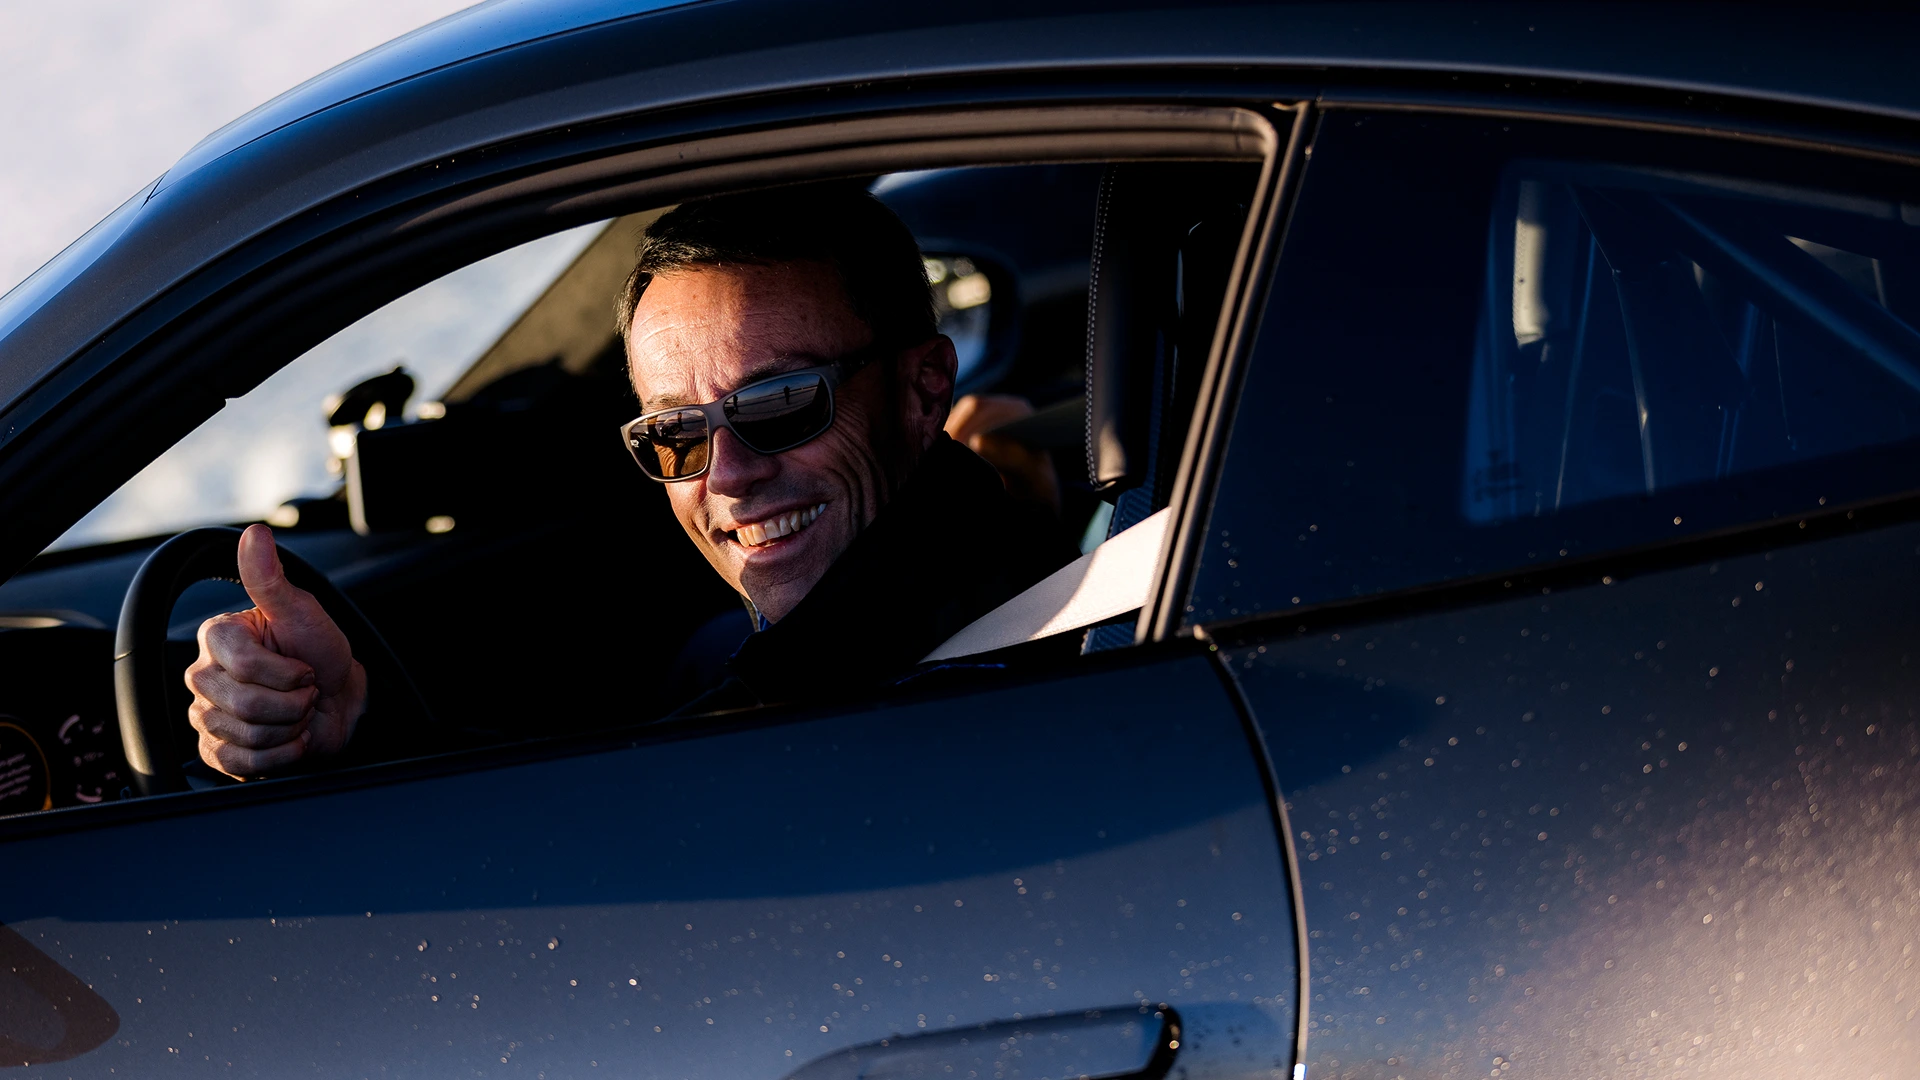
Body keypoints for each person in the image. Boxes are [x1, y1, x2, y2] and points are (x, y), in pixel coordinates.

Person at [183, 185, 1078, 779]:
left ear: (924, 388)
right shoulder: (988, 538)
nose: (725, 474)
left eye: (779, 403)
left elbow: (603, 828)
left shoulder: (924, 708)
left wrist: (363, 743)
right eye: (675, 433)